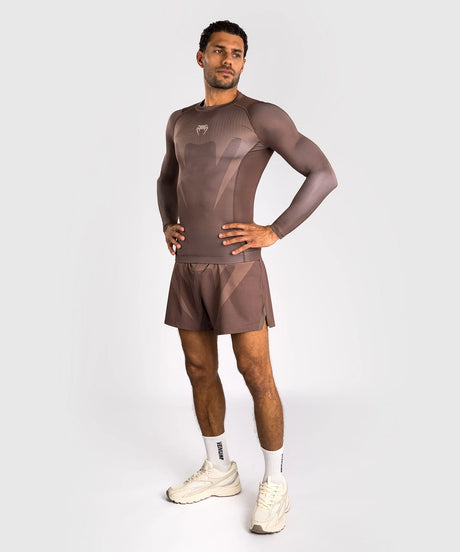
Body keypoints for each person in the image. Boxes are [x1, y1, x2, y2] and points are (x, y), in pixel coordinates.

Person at [156, 19, 338, 534]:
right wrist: (167, 222)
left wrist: (274, 231)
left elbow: (323, 174)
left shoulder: (260, 115)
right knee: (198, 369)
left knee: (256, 374)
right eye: (219, 51)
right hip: (188, 267)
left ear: (243, 62)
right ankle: (219, 469)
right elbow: (166, 178)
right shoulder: (179, 120)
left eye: (237, 53)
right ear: (201, 57)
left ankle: (275, 482)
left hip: (238, 269)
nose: (228, 60)